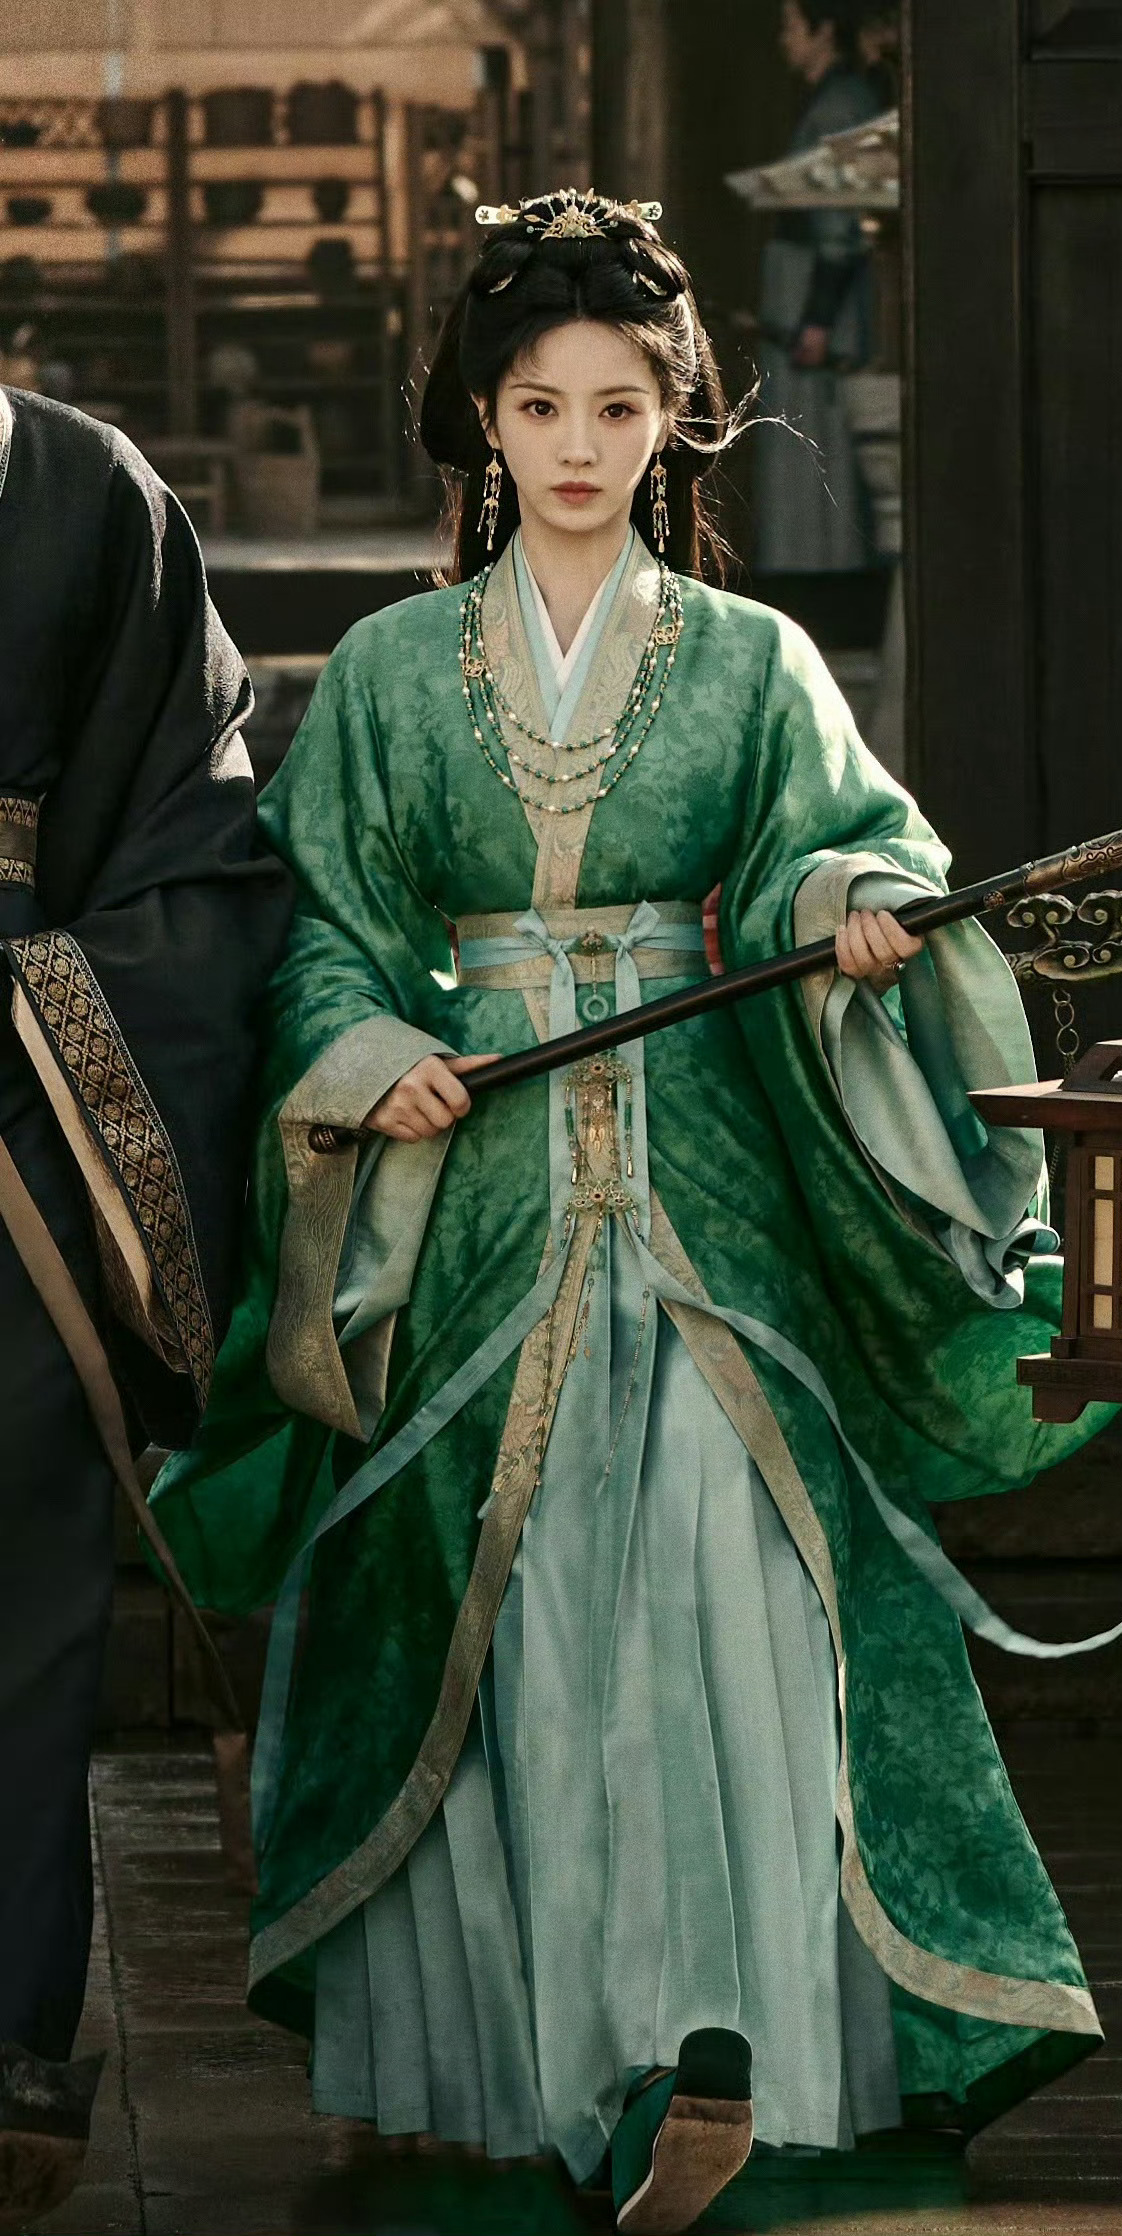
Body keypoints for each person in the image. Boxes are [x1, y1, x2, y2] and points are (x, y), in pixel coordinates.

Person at [150, 191, 1122, 2234]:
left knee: (729, 1573)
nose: (578, 445)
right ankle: (545, 2055)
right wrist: (368, 1052)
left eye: (617, 405)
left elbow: (834, 846)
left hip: (705, 1185)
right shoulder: (394, 671)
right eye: (539, 406)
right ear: (482, 423)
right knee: (511, 1603)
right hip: (479, 1194)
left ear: (676, 415)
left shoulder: (755, 660)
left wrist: (849, 913)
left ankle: (715, 2036)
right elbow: (325, 927)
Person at [0, 385, 291, 2230]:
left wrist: (45, 1043)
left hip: (15, 1133)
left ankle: (5, 2034)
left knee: (22, 1605)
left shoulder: (75, 487)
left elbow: (195, 839)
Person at [754, 0, 884, 575]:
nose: (785, 38)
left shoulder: (840, 106)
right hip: (802, 281)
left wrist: (818, 318)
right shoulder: (830, 101)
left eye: (792, 26)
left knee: (817, 432)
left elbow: (841, 225)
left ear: (823, 30)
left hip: (817, 291)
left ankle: (825, 568)